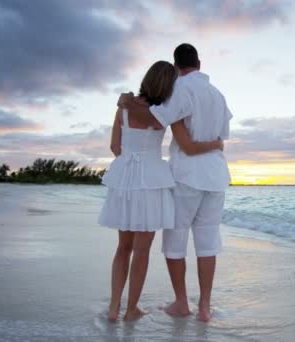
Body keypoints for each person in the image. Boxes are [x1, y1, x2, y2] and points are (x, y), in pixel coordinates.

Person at [98, 60, 223, 322]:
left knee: (123, 248)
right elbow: (186, 143)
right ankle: (131, 309)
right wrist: (215, 143)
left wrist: (126, 104)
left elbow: (114, 147)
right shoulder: (161, 114)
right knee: (142, 250)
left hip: (125, 180)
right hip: (152, 180)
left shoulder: (123, 108)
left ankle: (113, 308)